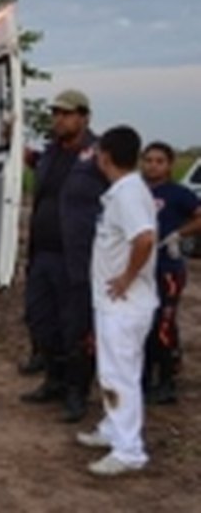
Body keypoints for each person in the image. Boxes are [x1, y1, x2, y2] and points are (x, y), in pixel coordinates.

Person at [20, 89, 107, 423]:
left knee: (76, 328)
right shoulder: (51, 154)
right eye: (56, 113)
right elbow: (34, 171)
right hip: (42, 254)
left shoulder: (99, 155)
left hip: (78, 259)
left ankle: (76, 393)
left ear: (84, 117)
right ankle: (53, 381)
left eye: (67, 113)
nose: (59, 119)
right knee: (41, 321)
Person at [76, 126, 158, 477]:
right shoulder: (124, 191)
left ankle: (128, 449)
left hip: (124, 304)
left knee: (119, 374)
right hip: (115, 303)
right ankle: (113, 428)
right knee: (117, 370)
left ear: (105, 156)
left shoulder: (127, 194)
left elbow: (144, 239)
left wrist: (126, 277)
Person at [140, 141, 201, 404]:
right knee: (142, 324)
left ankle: (166, 380)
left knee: (162, 324)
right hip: (142, 268)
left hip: (168, 269)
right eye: (149, 160)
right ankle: (144, 377)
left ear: (169, 164)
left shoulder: (178, 193)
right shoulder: (136, 191)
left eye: (159, 161)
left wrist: (179, 234)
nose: (153, 166)